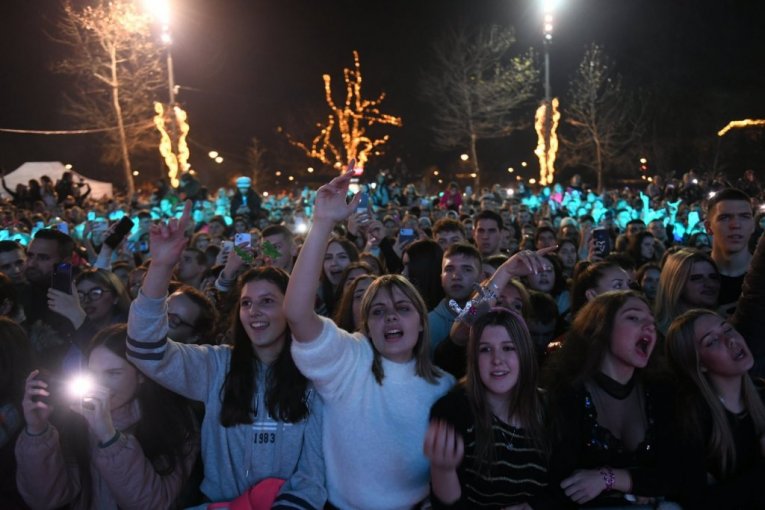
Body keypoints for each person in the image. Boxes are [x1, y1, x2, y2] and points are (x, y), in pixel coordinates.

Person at [126, 203, 326, 508]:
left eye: (267, 301)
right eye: (246, 303)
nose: (254, 311)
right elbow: (146, 351)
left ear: (291, 308)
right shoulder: (216, 365)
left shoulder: (314, 375)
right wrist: (161, 266)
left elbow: (312, 474)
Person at [283, 167, 454, 509]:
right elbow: (298, 314)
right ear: (365, 325)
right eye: (377, 311)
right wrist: (322, 223)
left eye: (402, 308)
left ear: (422, 322)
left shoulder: (445, 386)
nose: (390, 317)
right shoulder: (349, 358)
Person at [16, 324, 199, 510]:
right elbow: (46, 500)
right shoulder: (76, 418)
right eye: (92, 373)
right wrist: (37, 431)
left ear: (142, 375)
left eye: (113, 373)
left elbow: (152, 504)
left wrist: (109, 437)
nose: (99, 384)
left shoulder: (173, 421)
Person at [542, 291, 676, 508]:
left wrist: (611, 479)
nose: (649, 326)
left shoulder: (661, 390)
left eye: (652, 321)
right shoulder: (567, 393)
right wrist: (637, 486)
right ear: (600, 327)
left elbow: (680, 474)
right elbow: (563, 483)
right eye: (633, 317)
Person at [424, 309, 549, 509]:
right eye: (485, 349)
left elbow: (564, 488)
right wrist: (443, 470)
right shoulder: (452, 410)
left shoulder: (550, 408)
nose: (497, 359)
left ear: (524, 353)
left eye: (508, 348)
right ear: (473, 358)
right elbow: (448, 507)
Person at [665, 309, 765, 508]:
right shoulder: (692, 418)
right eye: (712, 341)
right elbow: (697, 501)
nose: (731, 340)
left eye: (728, 329)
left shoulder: (761, 395)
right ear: (699, 364)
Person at [705, 188, 755, 316]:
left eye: (744, 217)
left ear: (753, 225)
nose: (736, 225)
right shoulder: (689, 276)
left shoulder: (760, 276)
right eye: (725, 217)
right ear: (708, 227)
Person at [654, 249, 720, 334]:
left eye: (713, 277)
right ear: (676, 284)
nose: (710, 284)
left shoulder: (722, 322)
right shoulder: (657, 333)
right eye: (697, 278)